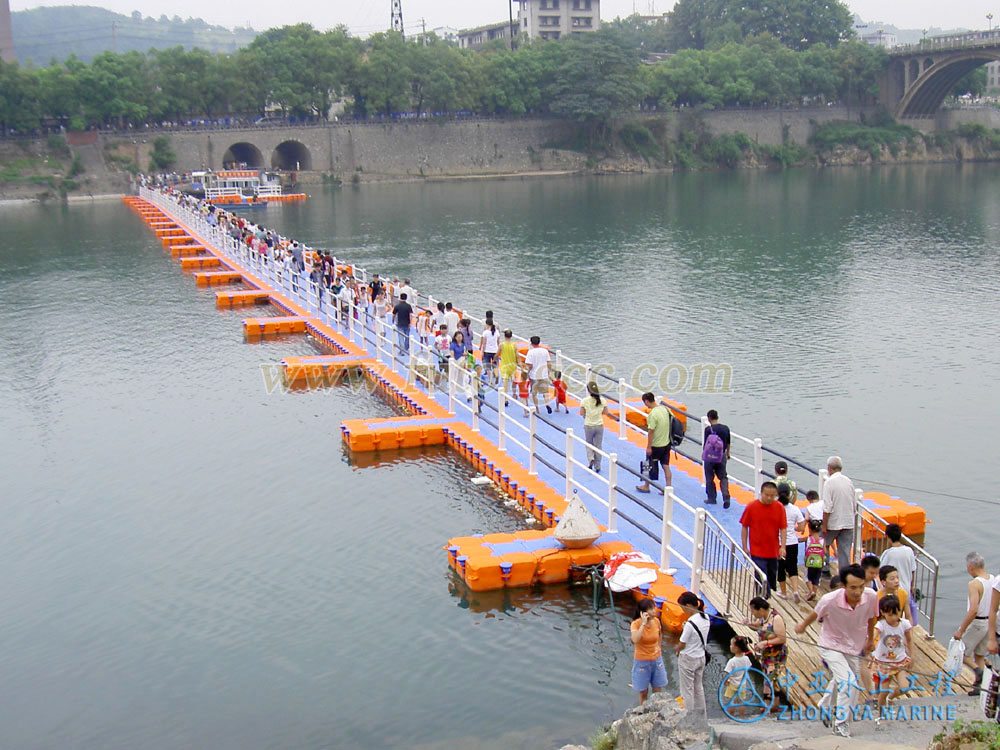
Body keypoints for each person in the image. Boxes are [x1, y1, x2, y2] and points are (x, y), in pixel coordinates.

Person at [794, 564, 878, 739]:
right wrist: (802, 626)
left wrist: (870, 639)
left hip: (853, 646)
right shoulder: (829, 600)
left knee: (850, 680)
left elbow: (872, 617)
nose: (858, 592)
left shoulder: (871, 596)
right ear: (843, 586)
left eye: (861, 586)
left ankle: (825, 705)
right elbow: (815, 614)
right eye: (853, 587)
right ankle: (840, 724)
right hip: (830, 645)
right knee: (848, 682)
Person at [953, 552, 993, 695]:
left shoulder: (974, 584)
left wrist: (961, 630)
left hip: (978, 623)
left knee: (960, 652)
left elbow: (973, 610)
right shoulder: (993, 580)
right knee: (980, 655)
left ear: (970, 567)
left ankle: (978, 672)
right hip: (990, 622)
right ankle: (981, 687)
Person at [870, 596, 913, 727]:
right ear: (883, 613)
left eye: (896, 613)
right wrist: (870, 642)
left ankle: (891, 697)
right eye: (890, 614)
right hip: (883, 663)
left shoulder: (904, 624)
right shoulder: (881, 625)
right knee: (882, 692)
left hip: (899, 661)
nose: (894, 617)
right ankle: (881, 715)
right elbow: (874, 634)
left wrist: (913, 656)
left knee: (905, 687)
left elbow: (910, 640)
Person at [740, 481, 786, 598]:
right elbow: (745, 527)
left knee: (771, 575)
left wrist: (783, 547)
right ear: (761, 493)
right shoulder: (751, 507)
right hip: (757, 550)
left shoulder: (779, 507)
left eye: (773, 496)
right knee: (761, 576)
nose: (770, 498)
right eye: (767, 495)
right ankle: (762, 598)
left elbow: (783, 528)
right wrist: (745, 546)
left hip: (773, 550)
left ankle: (767, 595)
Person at [675, 592, 709, 726]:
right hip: (701, 657)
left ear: (689, 606)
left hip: (688, 659)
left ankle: (689, 718)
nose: (683, 610)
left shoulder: (690, 624)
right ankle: (702, 718)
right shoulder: (706, 617)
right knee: (698, 688)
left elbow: (682, 643)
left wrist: (677, 650)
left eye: (683, 607)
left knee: (687, 690)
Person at [746, 597, 787, 700]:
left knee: (768, 681)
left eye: (753, 611)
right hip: (766, 654)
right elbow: (757, 626)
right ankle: (774, 706)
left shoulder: (776, 618)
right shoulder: (763, 617)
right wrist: (748, 624)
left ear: (761, 609)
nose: (753, 613)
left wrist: (765, 642)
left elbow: (782, 639)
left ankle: (766, 708)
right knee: (772, 680)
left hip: (776, 655)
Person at [821, 456, 856, 575]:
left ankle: (824, 568)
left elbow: (827, 507)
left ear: (829, 468)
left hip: (833, 522)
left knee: (821, 543)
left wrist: (824, 525)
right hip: (848, 522)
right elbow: (854, 502)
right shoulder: (849, 481)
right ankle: (845, 576)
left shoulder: (829, 483)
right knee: (845, 552)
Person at [630, 599, 668, 706]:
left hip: (656, 659)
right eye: (650, 609)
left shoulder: (656, 621)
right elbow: (635, 639)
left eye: (654, 608)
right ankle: (643, 709)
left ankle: (658, 709)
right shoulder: (635, 624)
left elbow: (659, 635)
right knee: (643, 691)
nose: (654, 611)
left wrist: (658, 648)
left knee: (658, 688)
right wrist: (643, 624)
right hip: (642, 661)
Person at [879, 524, 918, 623]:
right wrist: (912, 586)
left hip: (892, 591)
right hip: (906, 590)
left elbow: (881, 571)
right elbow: (913, 570)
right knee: (905, 615)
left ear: (887, 537)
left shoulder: (888, 554)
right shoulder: (909, 551)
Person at [635, 392, 672, 493]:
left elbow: (651, 431)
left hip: (656, 444)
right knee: (666, 466)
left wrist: (648, 447)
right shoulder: (665, 409)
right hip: (666, 443)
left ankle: (646, 485)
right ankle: (668, 487)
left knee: (647, 464)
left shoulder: (652, 414)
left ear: (646, 401)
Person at [776, 484, 805, 602]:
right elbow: (802, 526)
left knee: (781, 568)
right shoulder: (794, 509)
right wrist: (794, 529)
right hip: (792, 542)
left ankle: (783, 592)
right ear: (789, 495)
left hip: (778, 543)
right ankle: (796, 590)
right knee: (793, 567)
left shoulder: (774, 508)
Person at [702, 410, 732, 508]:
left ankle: (712, 498)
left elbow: (706, 444)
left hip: (710, 457)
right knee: (723, 476)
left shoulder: (708, 429)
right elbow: (728, 443)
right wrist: (727, 453)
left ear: (709, 418)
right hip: (721, 456)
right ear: (717, 417)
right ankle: (726, 495)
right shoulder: (725, 428)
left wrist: (704, 454)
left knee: (709, 477)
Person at [579, 382, 609, 473]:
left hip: (588, 425)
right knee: (598, 445)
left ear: (588, 390)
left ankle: (591, 458)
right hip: (599, 425)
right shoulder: (602, 400)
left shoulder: (584, 401)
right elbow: (605, 412)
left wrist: (586, 416)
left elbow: (582, 413)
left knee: (589, 443)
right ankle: (598, 465)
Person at [722, 636, 754, 716]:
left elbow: (726, 674)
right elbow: (749, 668)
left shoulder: (732, 661)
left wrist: (725, 681)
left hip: (732, 684)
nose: (730, 646)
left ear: (736, 648)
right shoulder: (746, 658)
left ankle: (731, 715)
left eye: (731, 645)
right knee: (741, 701)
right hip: (743, 684)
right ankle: (741, 715)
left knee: (732, 701)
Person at [524, 336, 552, 415]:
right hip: (544, 374)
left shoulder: (531, 352)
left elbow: (529, 365)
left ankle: (537, 408)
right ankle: (547, 404)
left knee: (534, 393)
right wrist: (548, 371)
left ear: (531, 343)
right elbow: (549, 363)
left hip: (534, 375)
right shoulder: (545, 351)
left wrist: (527, 373)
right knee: (545, 391)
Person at [804, 520, 825, 601]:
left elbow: (807, 550)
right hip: (819, 563)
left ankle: (811, 591)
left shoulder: (809, 539)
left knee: (807, 578)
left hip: (810, 562)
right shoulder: (822, 540)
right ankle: (814, 593)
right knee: (816, 579)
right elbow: (825, 551)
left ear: (810, 529)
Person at [498, 329, 519, 394]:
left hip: (504, 366)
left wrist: (495, 358)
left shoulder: (501, 345)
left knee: (505, 382)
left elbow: (497, 353)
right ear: (511, 336)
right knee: (513, 380)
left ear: (504, 336)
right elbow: (517, 356)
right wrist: (519, 363)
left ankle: (505, 398)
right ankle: (514, 393)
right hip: (512, 366)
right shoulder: (514, 345)